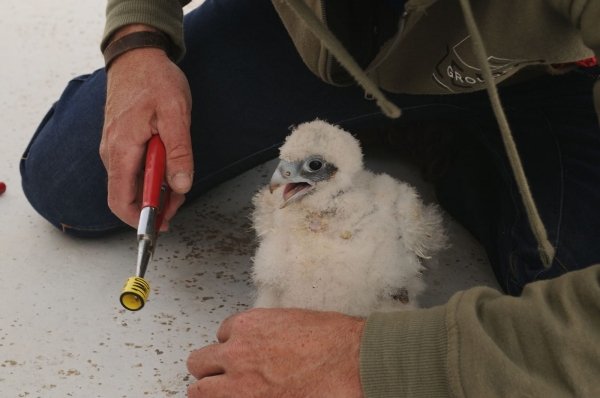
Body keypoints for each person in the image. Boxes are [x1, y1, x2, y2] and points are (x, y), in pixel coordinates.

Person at [20, 0, 600, 396]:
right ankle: (385, 124)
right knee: (75, 179)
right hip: (309, 46)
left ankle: (442, 143)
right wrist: (138, 40)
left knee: (562, 303)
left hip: (528, 76)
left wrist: (375, 364)